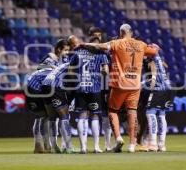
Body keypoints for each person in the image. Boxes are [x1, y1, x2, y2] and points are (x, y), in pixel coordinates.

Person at [81, 24, 159, 153]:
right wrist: (151, 48)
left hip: (120, 84)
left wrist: (83, 44)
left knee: (112, 111)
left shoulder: (117, 43)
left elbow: (99, 46)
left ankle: (118, 138)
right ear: (131, 32)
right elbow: (154, 52)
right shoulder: (141, 44)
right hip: (135, 85)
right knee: (132, 112)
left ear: (121, 32)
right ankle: (132, 145)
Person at [25, 39, 69, 153]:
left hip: (34, 86)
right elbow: (41, 68)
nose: (67, 53)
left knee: (42, 116)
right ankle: (43, 145)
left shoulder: (60, 61)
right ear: (59, 49)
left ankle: (41, 145)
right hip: (36, 87)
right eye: (66, 50)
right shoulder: (51, 58)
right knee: (44, 117)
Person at [68, 35, 109, 154]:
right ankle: (96, 147)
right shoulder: (101, 54)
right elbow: (105, 71)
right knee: (95, 117)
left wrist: (76, 81)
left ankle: (83, 148)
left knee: (82, 116)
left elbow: (70, 70)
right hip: (95, 89)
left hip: (80, 88)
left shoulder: (78, 53)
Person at [141, 54, 175, 152]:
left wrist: (150, 84)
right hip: (169, 88)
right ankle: (161, 144)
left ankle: (153, 143)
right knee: (161, 115)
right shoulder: (159, 59)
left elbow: (153, 71)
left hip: (158, 88)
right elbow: (166, 65)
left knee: (150, 113)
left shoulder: (151, 61)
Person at [88, 28, 113, 151]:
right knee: (89, 114)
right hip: (88, 86)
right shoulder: (85, 52)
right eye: (95, 36)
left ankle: (107, 144)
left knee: (105, 115)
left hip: (105, 85)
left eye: (99, 35)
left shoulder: (106, 53)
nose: (98, 38)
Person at [42, 63, 75, 154]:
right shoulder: (76, 63)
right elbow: (72, 78)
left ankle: (54, 147)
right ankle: (68, 147)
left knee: (52, 118)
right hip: (55, 87)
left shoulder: (63, 64)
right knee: (65, 117)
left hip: (45, 85)